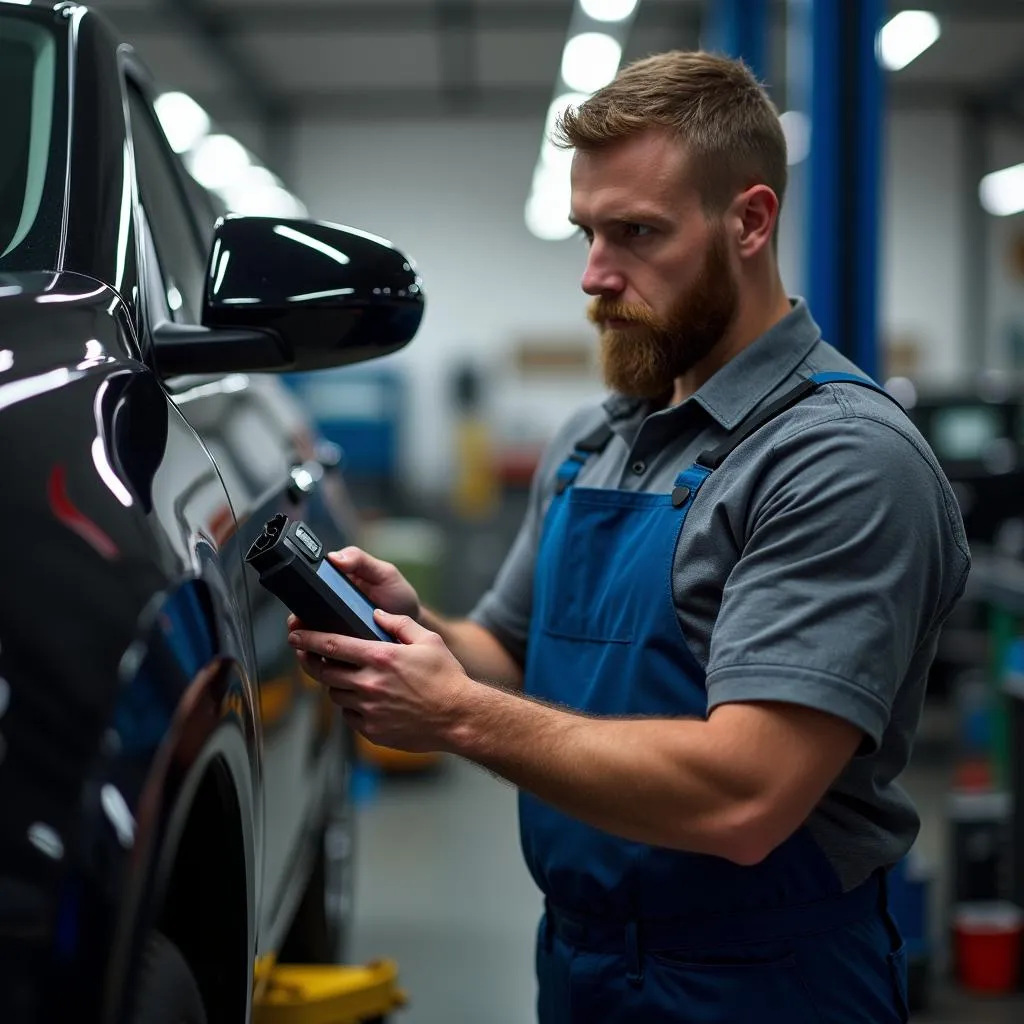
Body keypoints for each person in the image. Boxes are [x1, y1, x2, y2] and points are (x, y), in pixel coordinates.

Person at [288, 50, 970, 1023]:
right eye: (587, 232)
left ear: (749, 220)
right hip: (581, 962)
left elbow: (746, 797)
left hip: (766, 983)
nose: (594, 275)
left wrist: (456, 716)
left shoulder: (837, 461)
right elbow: (508, 650)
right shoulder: (593, 440)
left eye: (636, 233)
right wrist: (413, 628)